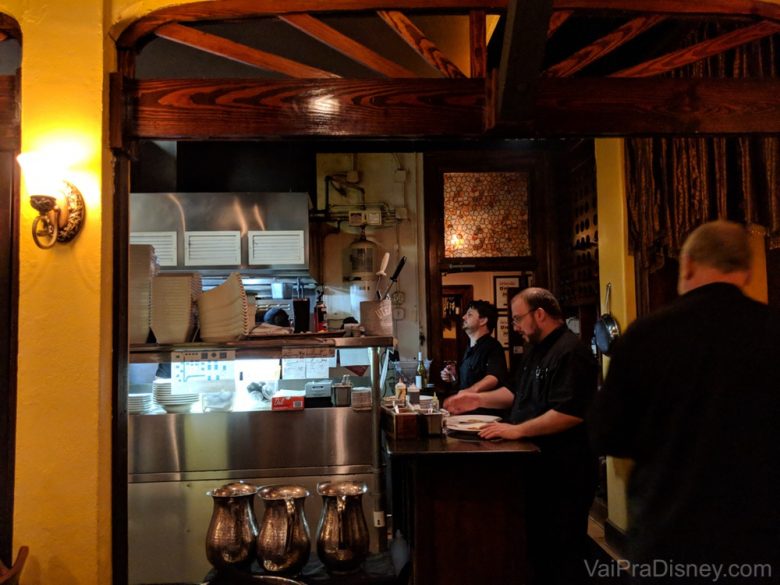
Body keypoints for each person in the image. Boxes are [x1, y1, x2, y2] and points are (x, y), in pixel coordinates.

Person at [590, 220, 780, 582]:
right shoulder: (772, 330)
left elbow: (606, 435)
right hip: (761, 536)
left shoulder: (647, 335)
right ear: (746, 269)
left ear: (688, 263)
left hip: (671, 531)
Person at [444, 288, 598, 585]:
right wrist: (475, 401)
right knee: (537, 548)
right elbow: (514, 393)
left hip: (565, 468)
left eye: (517, 319)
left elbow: (570, 412)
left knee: (563, 551)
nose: (514, 326)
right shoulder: (535, 349)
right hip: (537, 466)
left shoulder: (571, 351)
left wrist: (516, 430)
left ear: (539, 314)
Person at [439, 299, 508, 402]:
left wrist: (468, 392)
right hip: (465, 411)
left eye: (469, 315)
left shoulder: (493, 346)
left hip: (483, 414)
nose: (463, 317)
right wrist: (454, 377)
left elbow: (493, 377)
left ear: (483, 320)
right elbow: (467, 380)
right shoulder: (468, 348)